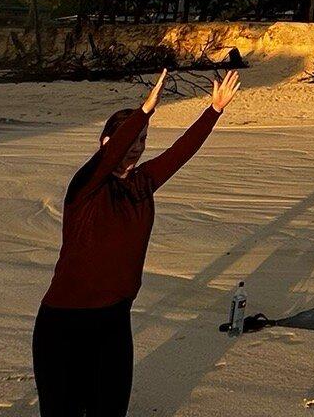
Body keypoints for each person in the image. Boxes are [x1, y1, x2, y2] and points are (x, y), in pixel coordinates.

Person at [34, 68, 240, 417]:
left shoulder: (142, 184)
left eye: (143, 140)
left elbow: (179, 153)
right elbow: (111, 156)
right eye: (129, 140)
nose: (137, 147)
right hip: (63, 325)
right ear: (105, 144)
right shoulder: (84, 188)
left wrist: (214, 111)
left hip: (113, 320)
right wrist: (145, 111)